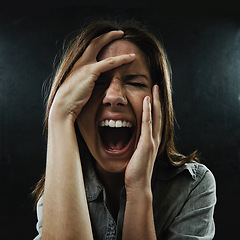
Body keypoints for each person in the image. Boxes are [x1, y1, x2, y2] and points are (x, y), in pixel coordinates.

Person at [32, 20, 216, 240]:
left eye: (135, 83)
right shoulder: (56, 188)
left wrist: (138, 189)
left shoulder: (193, 186)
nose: (114, 97)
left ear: (160, 103)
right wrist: (59, 116)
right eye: (98, 82)